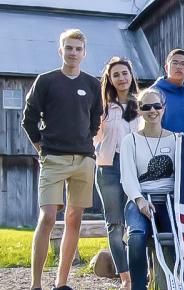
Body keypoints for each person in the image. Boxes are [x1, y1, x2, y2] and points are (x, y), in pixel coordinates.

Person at [22, 28, 102, 290]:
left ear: (84, 53)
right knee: (47, 217)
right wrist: (41, 147)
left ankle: (61, 283)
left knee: (74, 219)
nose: (73, 53)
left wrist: (85, 146)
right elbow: (29, 118)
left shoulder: (92, 84)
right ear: (61, 50)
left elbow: (94, 122)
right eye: (69, 48)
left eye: (78, 49)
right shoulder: (46, 81)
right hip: (53, 159)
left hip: (83, 161)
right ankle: (36, 284)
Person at [120, 88, 177, 290]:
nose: (152, 110)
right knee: (136, 236)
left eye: (156, 106)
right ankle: (138, 285)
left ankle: (177, 282)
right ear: (139, 110)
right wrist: (140, 201)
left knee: (176, 237)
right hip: (140, 198)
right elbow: (127, 177)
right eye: (146, 107)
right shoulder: (131, 141)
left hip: (169, 199)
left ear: (163, 108)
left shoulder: (176, 140)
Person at [94, 56, 141, 289]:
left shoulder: (141, 105)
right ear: (110, 80)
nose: (121, 78)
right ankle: (126, 278)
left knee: (136, 223)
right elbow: (92, 136)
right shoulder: (103, 107)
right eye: (116, 75)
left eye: (125, 73)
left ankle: (141, 271)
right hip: (109, 167)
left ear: (131, 76)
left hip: (135, 168)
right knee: (115, 224)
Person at [152, 48, 184, 136]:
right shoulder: (154, 93)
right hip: (161, 148)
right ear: (166, 67)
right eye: (175, 63)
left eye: (183, 64)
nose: (179, 67)